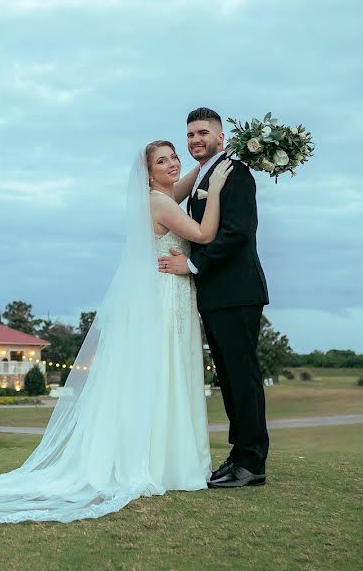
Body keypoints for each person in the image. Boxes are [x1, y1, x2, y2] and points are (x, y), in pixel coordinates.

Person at [0, 141, 232, 523]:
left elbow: (184, 185)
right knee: (165, 371)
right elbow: (204, 234)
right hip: (164, 298)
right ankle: (164, 461)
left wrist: (210, 165)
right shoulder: (160, 203)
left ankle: (165, 458)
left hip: (167, 294)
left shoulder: (161, 197)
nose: (173, 163)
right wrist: (217, 186)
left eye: (174, 157)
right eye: (162, 160)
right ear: (148, 173)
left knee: (163, 374)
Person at [158, 107, 270, 488]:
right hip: (216, 296)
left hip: (237, 293)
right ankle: (239, 456)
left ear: (221, 137)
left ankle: (252, 462)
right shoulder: (207, 174)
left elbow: (237, 232)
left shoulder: (235, 173)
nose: (194, 140)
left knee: (244, 378)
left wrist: (191, 266)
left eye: (202, 133)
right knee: (229, 379)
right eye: (190, 135)